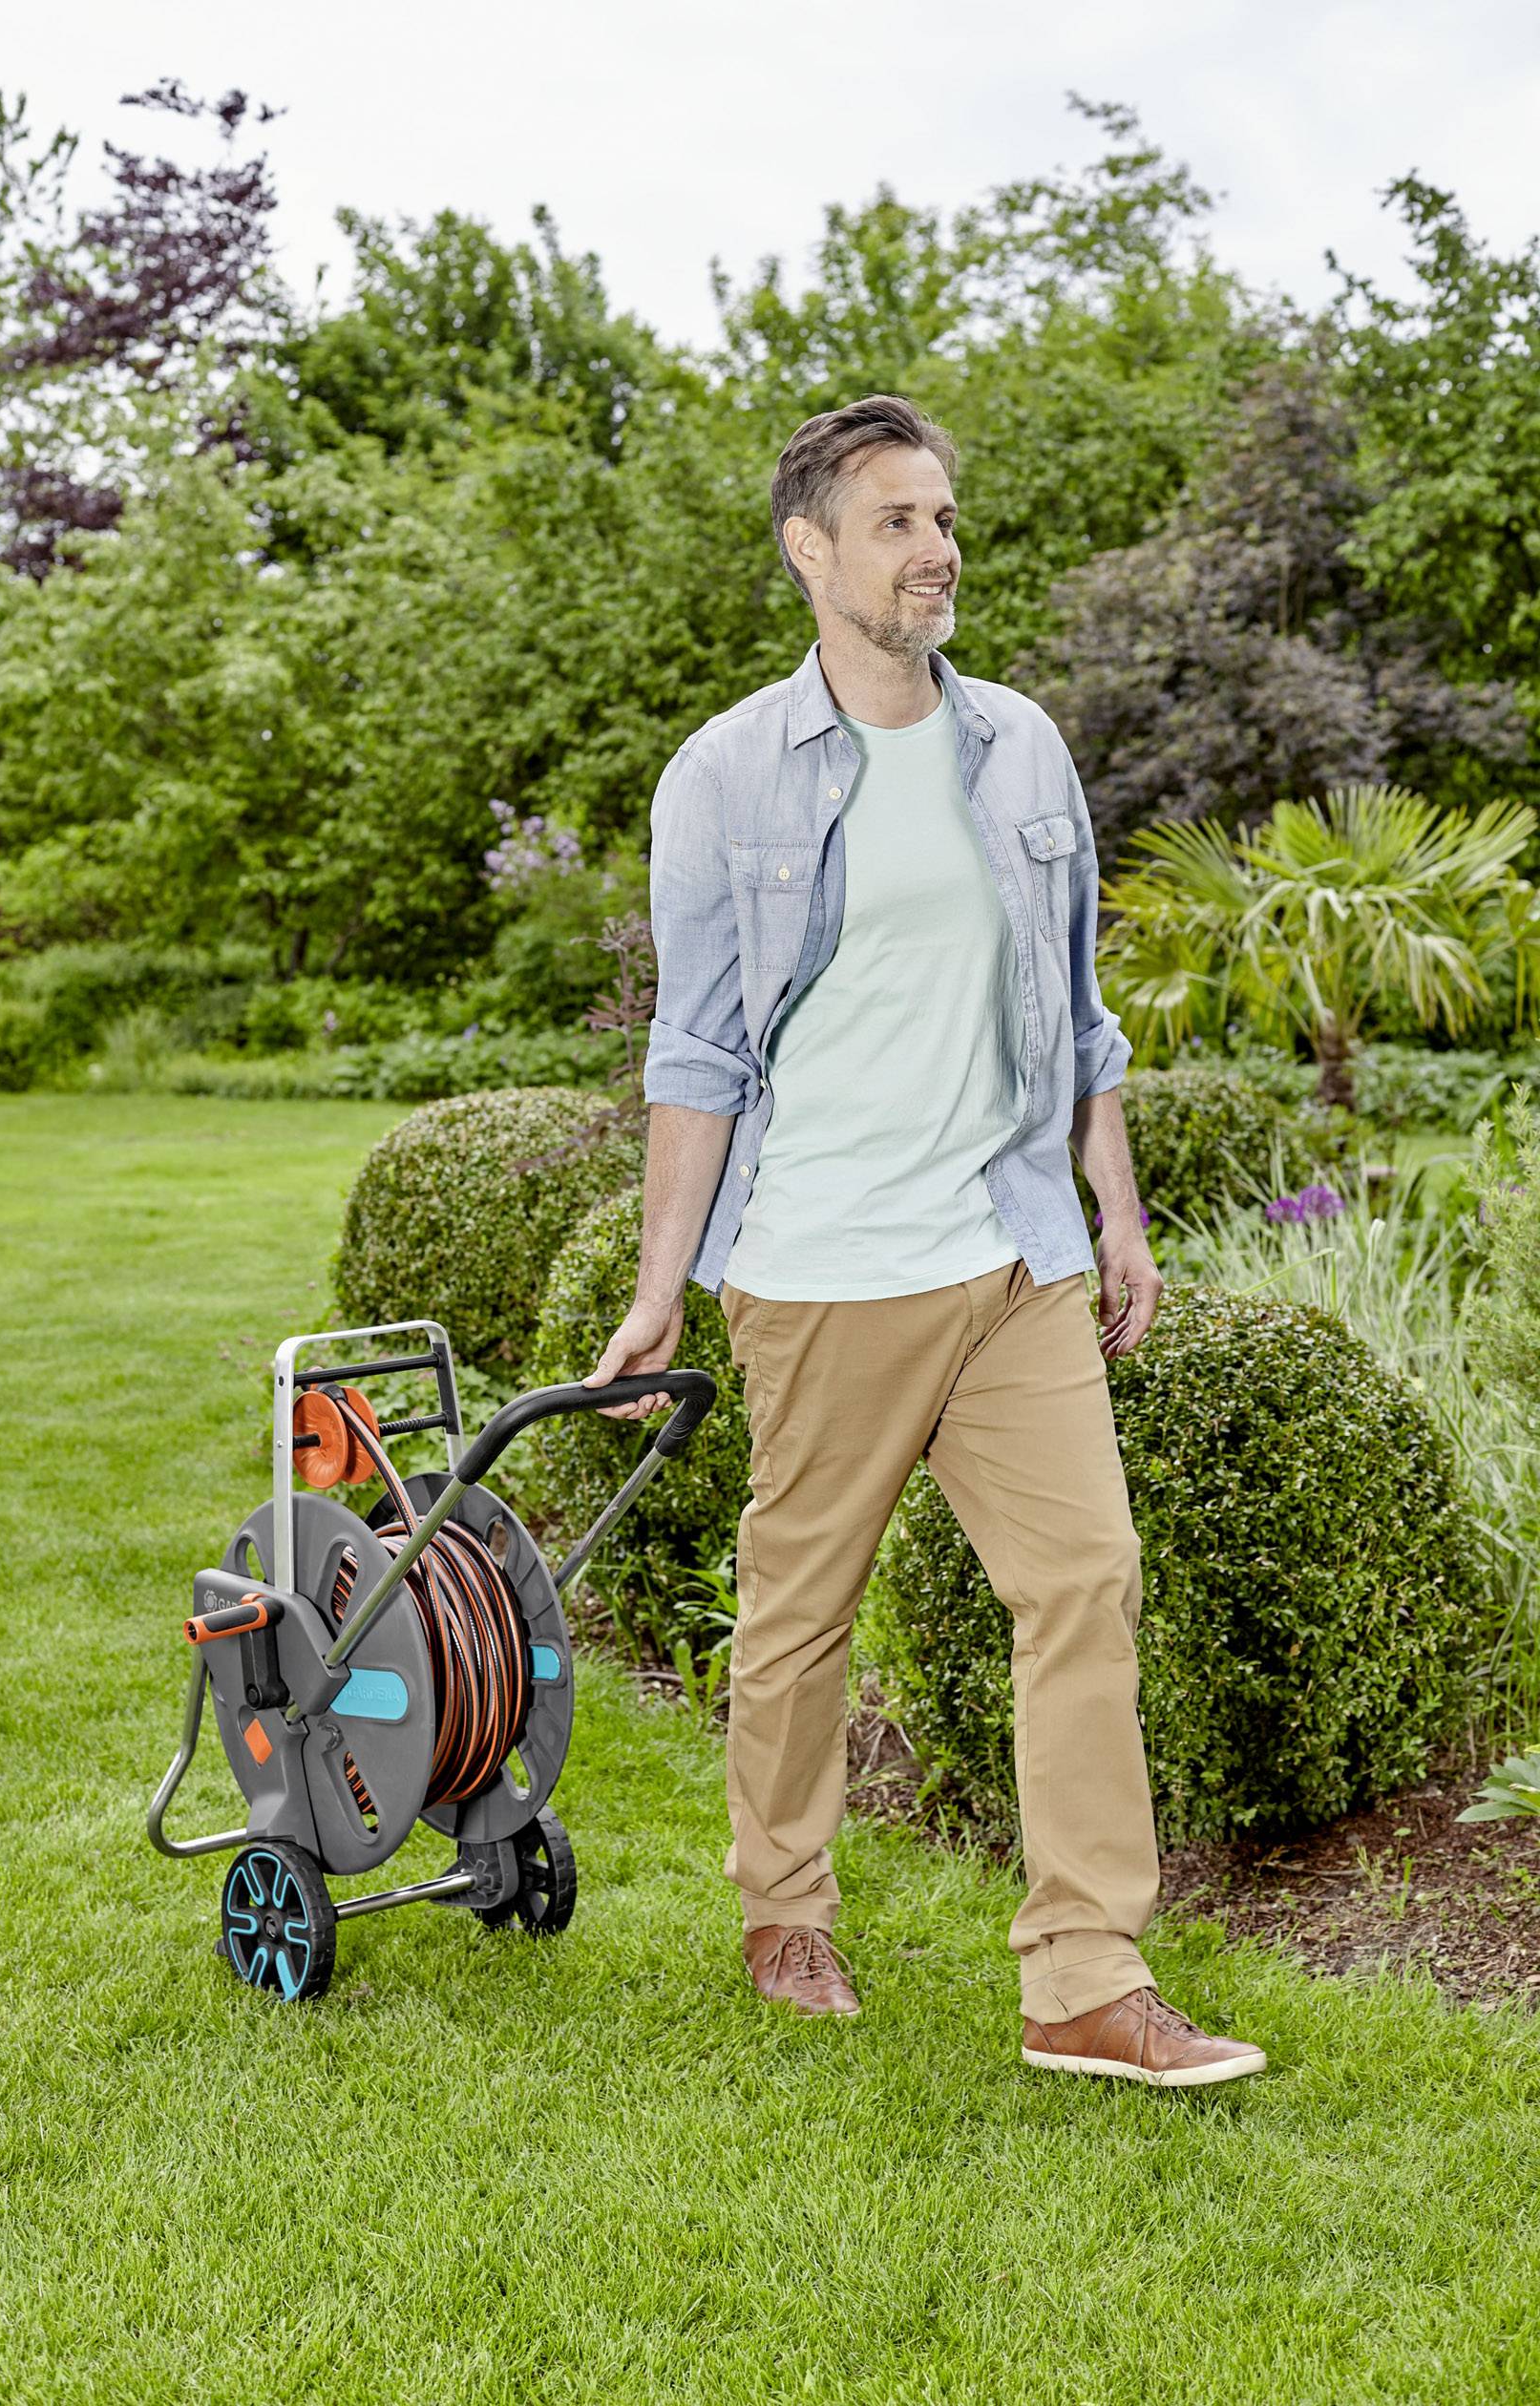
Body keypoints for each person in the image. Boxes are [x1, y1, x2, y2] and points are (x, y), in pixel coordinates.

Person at [581, 394, 1266, 2087]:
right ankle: (784, 1903)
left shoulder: (1021, 743)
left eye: (944, 516)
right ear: (810, 550)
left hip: (1011, 1250)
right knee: (801, 1613)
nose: (936, 549)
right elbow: (700, 1052)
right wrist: (666, 1290)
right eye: (895, 520)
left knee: (1085, 1580)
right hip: (822, 1268)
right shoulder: (728, 772)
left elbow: (1077, 1014)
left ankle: (1086, 1975)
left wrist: (1115, 1206)